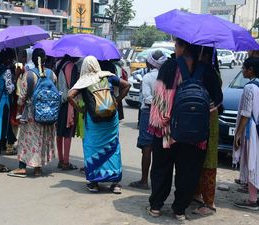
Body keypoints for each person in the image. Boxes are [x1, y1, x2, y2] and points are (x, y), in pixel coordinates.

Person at [147, 38, 222, 220]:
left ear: (182, 47)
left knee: (162, 167)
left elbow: (159, 99)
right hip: (196, 133)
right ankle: (180, 210)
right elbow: (218, 101)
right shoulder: (208, 71)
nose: (175, 48)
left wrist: (162, 123)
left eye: (176, 45)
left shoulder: (169, 67)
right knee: (189, 170)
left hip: (167, 129)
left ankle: (156, 206)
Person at [67, 56, 130, 194]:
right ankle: (115, 183)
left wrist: (80, 110)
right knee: (113, 148)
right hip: (111, 120)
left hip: (94, 121)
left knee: (92, 148)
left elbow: (70, 95)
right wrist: (117, 101)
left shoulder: (84, 81)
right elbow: (127, 85)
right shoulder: (108, 77)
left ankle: (94, 183)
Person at [8, 48, 57, 178]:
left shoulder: (29, 75)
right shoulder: (51, 74)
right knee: (41, 140)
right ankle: (37, 168)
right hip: (48, 114)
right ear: (45, 59)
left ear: (32, 59)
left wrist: (19, 111)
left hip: (31, 114)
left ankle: (22, 168)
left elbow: (22, 97)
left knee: (26, 140)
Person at [129, 50, 167, 190]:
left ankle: (144, 181)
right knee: (160, 148)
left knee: (147, 147)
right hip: (164, 113)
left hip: (149, 113)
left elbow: (147, 99)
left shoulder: (147, 78)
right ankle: (158, 181)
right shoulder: (167, 77)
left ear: (150, 63)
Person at [193, 47, 223, 216]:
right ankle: (197, 193)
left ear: (203, 54)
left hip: (208, 119)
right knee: (199, 158)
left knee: (208, 160)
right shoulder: (211, 72)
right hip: (206, 117)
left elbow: (218, 99)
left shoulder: (207, 73)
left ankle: (209, 203)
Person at [233, 57, 259, 211]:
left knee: (251, 163)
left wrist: (238, 134)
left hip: (251, 131)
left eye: (244, 68)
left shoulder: (250, 88)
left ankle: (252, 199)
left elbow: (246, 113)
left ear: (250, 70)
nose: (242, 70)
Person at [56, 56, 79, 170]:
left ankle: (60, 159)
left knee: (59, 133)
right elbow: (74, 88)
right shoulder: (72, 67)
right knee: (67, 133)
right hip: (69, 103)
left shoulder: (59, 65)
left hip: (59, 103)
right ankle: (66, 162)